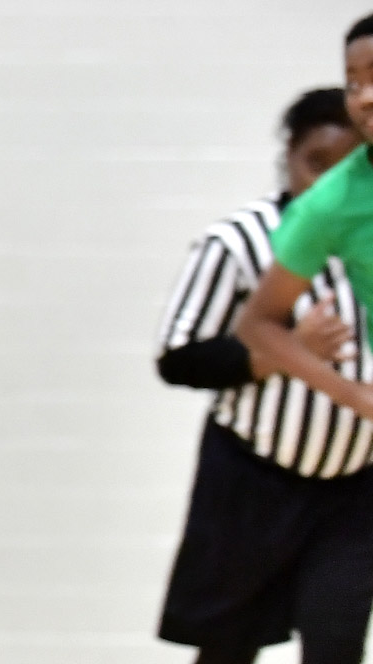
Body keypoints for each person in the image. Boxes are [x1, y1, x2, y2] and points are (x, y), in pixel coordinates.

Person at [154, 86, 370, 664]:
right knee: (227, 647)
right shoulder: (240, 241)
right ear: (288, 159)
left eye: (343, 165)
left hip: (353, 488)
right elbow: (178, 358)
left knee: (336, 645)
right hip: (253, 478)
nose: (326, 181)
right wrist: (284, 350)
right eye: (313, 163)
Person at [223, 16, 373, 664]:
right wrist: (356, 397)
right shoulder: (332, 204)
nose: (364, 95)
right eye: (353, 81)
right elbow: (257, 324)